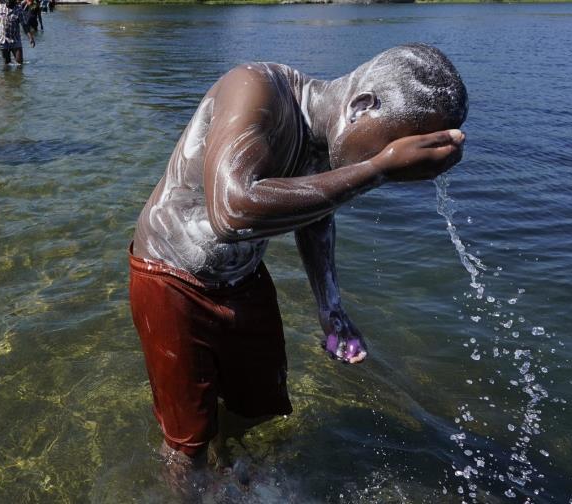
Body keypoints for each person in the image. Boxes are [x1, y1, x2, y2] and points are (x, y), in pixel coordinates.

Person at [129, 44, 468, 491]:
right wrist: (379, 169)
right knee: (188, 440)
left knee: (261, 411)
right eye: (388, 149)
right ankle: (188, 490)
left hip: (245, 278)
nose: (381, 169)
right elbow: (230, 212)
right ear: (361, 106)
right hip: (170, 279)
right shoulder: (255, 89)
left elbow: (315, 212)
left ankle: (237, 482)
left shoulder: (324, 136)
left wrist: (331, 306)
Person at [0, 0, 35, 65]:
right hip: (3, 40)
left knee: (20, 64)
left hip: (15, 39)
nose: (7, 2)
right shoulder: (0, 7)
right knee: (6, 64)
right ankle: (7, 74)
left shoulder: (19, 10)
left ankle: (17, 75)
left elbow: (25, 26)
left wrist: (31, 38)